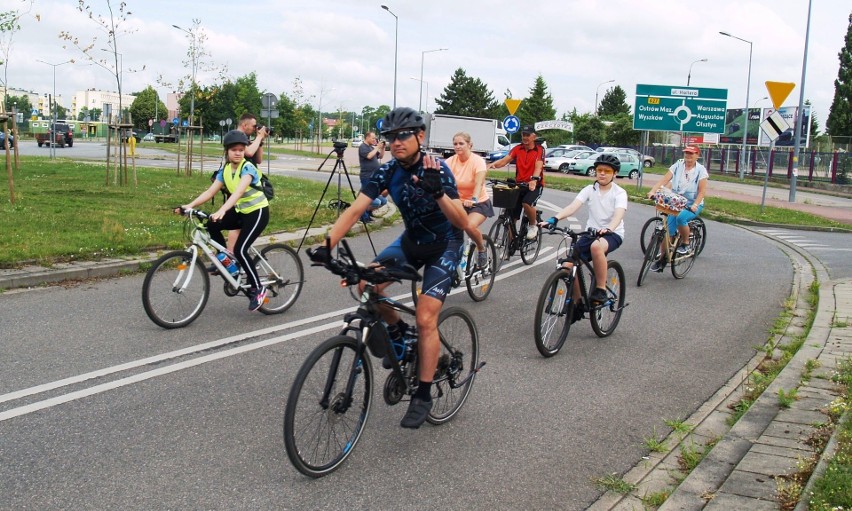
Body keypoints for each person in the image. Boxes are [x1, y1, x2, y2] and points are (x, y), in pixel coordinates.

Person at [310, 107, 469, 429]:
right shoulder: (388, 171)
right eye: (390, 137)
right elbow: (356, 209)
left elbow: (460, 221)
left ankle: (423, 394)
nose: (395, 142)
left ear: (419, 137)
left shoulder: (437, 168)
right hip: (412, 240)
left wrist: (437, 191)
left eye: (402, 136)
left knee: (425, 316)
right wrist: (328, 246)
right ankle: (398, 335)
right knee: (367, 285)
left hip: (446, 244)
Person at [178, 130, 270, 311]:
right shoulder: (225, 170)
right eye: (234, 149)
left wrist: (222, 210)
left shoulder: (248, 168)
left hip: (257, 212)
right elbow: (210, 192)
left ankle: (257, 288)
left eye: (241, 149)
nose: (238, 152)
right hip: (241, 212)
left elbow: (239, 192)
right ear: (226, 151)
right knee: (211, 225)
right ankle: (228, 262)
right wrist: (189, 205)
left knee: (241, 249)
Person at [540, 153, 626, 320]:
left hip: (612, 233)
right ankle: (578, 303)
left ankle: (600, 289)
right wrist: (554, 218)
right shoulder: (589, 189)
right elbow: (573, 207)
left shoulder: (619, 193)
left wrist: (609, 228)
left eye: (607, 171)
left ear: (615, 174)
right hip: (590, 233)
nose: (602, 173)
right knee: (567, 265)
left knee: (596, 247)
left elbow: (618, 214)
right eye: (599, 170)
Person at [214, 114, 270, 259]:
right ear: (245, 125)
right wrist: (258, 138)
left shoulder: (248, 140)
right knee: (234, 223)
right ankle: (231, 256)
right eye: (253, 126)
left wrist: (260, 140)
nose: (255, 129)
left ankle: (234, 257)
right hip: (236, 183)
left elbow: (258, 159)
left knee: (239, 229)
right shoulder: (237, 138)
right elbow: (249, 152)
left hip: (248, 186)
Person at [645, 145, 708, 271]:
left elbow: (702, 192)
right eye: (686, 153)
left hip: (693, 203)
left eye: (691, 154)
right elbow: (664, 180)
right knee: (668, 230)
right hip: (676, 201)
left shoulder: (701, 170)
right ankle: (662, 259)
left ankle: (686, 243)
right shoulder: (678, 165)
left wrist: (695, 205)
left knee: (681, 218)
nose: (688, 156)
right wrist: (652, 191)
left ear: (697, 155)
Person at [486, 124, 544, 240]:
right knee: (512, 216)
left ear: (534, 137)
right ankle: (510, 246)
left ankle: (533, 225)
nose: (525, 137)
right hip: (519, 184)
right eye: (523, 135)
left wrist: (534, 179)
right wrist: (492, 165)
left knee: (526, 203)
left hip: (534, 185)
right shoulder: (518, 148)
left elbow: (538, 166)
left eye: (528, 135)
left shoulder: (539, 150)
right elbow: (504, 161)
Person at [445, 131, 493, 269]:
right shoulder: (450, 161)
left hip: (478, 203)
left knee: (468, 226)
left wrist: (474, 198)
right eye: (455, 144)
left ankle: (481, 248)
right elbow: (441, 180)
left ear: (469, 145)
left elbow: (479, 183)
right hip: (458, 203)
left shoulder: (478, 161)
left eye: (461, 143)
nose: (458, 146)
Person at [358, 131, 387, 223]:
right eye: (373, 138)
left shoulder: (371, 147)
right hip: (366, 177)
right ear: (367, 137)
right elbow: (369, 156)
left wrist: (382, 148)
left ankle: (368, 213)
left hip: (374, 177)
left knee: (383, 201)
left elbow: (380, 156)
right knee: (369, 199)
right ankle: (363, 216)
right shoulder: (363, 147)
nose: (374, 140)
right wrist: (377, 147)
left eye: (375, 138)